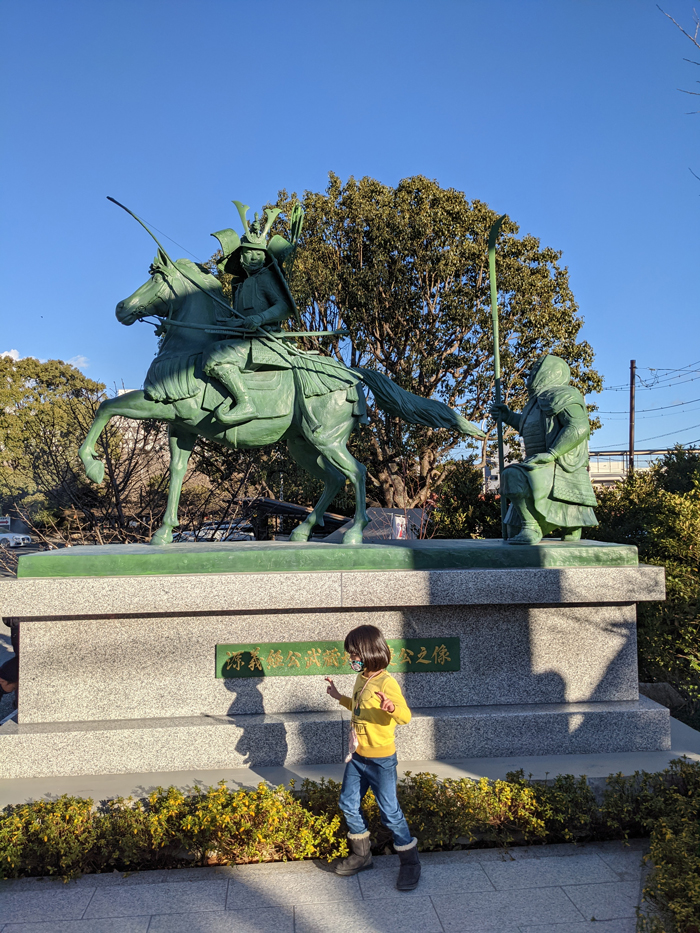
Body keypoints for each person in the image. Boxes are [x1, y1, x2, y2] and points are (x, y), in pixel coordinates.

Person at [325, 624, 421, 891]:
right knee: (347, 802)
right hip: (357, 757)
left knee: (390, 812)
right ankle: (362, 854)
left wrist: (391, 708)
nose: (351, 659)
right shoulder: (363, 678)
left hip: (380, 760)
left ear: (369, 652)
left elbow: (405, 716)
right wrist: (338, 697)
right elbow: (358, 706)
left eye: (354, 654)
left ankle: (410, 862)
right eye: (350, 654)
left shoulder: (386, 682)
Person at [490, 354, 598, 544]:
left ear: (550, 372)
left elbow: (578, 427)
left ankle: (531, 527)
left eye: (537, 369)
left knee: (511, 475)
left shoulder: (563, 395)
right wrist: (508, 417)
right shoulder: (533, 403)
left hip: (556, 464)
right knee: (511, 516)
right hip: (537, 462)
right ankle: (529, 524)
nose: (531, 375)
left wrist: (552, 454)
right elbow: (530, 427)